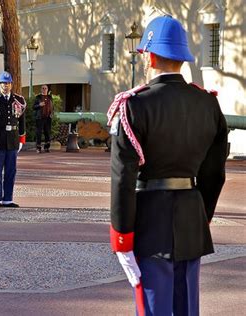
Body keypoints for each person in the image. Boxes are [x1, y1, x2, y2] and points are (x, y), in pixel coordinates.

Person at [108, 16, 228, 316]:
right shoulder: (208, 104)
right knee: (187, 308)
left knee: (154, 308)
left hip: (150, 220)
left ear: (149, 56)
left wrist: (122, 237)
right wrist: (202, 217)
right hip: (191, 217)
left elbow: (123, 177)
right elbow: (214, 174)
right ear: (183, 57)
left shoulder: (134, 105)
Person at [0, 71, 26, 208]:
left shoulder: (18, 101)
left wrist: (21, 139)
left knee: (11, 170)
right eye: (3, 83)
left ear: (11, 84)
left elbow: (22, 122)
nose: (5, 86)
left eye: (8, 83)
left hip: (12, 139)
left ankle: (8, 198)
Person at [33, 84, 53, 153]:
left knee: (47, 133)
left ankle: (46, 147)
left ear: (47, 90)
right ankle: (38, 148)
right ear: (41, 89)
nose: (44, 89)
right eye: (43, 88)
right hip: (40, 118)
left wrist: (52, 113)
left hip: (48, 118)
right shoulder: (38, 97)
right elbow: (34, 107)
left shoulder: (50, 97)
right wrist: (39, 105)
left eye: (45, 88)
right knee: (39, 133)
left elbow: (52, 107)